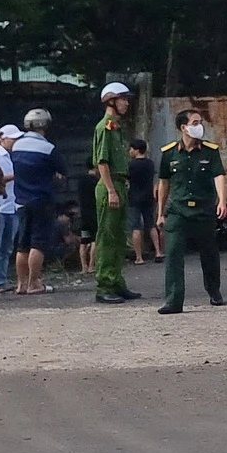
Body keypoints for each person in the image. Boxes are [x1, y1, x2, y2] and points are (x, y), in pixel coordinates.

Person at [156, 109, 227, 313]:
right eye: (195, 123)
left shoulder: (210, 151)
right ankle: (173, 301)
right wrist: (160, 213)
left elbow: (218, 175)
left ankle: (214, 291)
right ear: (183, 128)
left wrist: (222, 200)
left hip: (204, 210)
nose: (199, 126)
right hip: (177, 211)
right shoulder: (169, 153)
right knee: (173, 255)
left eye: (200, 122)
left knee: (209, 254)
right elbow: (163, 184)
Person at [89, 83, 142, 304]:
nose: (126, 103)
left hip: (119, 183)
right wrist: (111, 190)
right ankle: (104, 285)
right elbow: (102, 162)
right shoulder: (105, 127)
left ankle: (116, 281)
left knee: (120, 237)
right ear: (111, 100)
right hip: (109, 185)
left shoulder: (117, 128)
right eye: (123, 99)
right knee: (108, 236)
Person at [9, 112, 62, 295]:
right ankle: (34, 283)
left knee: (22, 245)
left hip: (21, 201)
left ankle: (21, 284)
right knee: (37, 244)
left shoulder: (16, 146)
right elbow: (61, 170)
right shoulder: (47, 148)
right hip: (42, 200)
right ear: (44, 125)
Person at [0, 124, 22, 292]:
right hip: (0, 206)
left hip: (12, 206)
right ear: (3, 139)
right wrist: (17, 176)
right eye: (13, 139)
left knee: (6, 247)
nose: (15, 142)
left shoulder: (13, 156)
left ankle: (0, 279)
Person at [126, 138, 159, 265]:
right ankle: (158, 251)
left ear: (136, 150)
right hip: (149, 197)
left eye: (131, 149)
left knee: (136, 227)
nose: (130, 151)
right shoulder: (150, 163)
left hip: (134, 197)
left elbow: (127, 179)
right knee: (151, 224)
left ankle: (139, 257)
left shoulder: (131, 165)